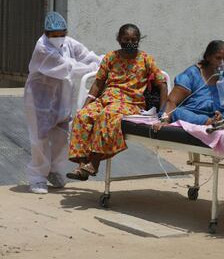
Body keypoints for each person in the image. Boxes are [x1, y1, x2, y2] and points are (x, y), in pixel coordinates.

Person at [66, 23, 168, 181]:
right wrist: (87, 104)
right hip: (107, 99)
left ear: (139, 40)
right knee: (83, 116)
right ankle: (81, 165)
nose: (130, 42)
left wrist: (163, 112)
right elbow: (98, 83)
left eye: (134, 39)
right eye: (126, 39)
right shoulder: (111, 57)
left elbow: (162, 84)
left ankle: (94, 164)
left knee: (106, 115)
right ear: (119, 39)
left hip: (130, 103)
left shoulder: (146, 59)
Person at [24, 12, 102, 194]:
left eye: (61, 34)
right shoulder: (42, 47)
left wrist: (101, 61)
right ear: (46, 33)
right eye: (54, 35)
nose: (58, 38)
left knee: (62, 138)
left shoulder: (68, 42)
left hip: (62, 97)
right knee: (40, 139)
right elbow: (68, 67)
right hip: (39, 99)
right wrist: (93, 68)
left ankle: (55, 171)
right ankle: (37, 177)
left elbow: (85, 55)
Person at [154, 40, 224, 128]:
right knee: (178, 112)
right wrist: (165, 120)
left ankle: (221, 120)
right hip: (194, 114)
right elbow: (171, 101)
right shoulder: (191, 75)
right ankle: (209, 122)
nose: (222, 63)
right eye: (218, 58)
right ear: (208, 57)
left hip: (218, 115)